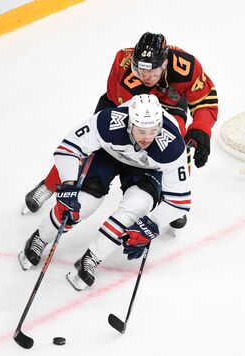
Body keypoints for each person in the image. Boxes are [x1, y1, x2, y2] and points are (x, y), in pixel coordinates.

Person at [23, 32, 217, 231]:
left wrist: (201, 129)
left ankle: (172, 196)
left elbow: (205, 98)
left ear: (165, 64)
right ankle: (48, 185)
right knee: (89, 145)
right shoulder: (123, 66)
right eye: (140, 71)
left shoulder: (187, 66)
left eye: (152, 72)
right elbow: (130, 116)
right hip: (121, 107)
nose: (145, 77)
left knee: (177, 144)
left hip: (169, 106)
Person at [18, 94, 191, 291]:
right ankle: (40, 237)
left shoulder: (173, 145)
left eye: (153, 131)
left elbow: (180, 201)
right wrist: (68, 185)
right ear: (130, 123)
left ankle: (91, 258)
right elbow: (67, 149)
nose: (146, 138)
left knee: (138, 206)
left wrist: (153, 224)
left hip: (147, 168)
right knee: (84, 201)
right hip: (109, 155)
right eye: (141, 131)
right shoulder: (108, 121)